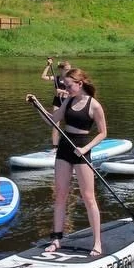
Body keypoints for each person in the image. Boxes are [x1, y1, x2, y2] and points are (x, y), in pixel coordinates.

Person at [32, 67, 107, 257]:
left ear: (80, 84)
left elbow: (103, 133)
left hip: (82, 149)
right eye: (65, 85)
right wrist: (37, 105)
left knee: (88, 197)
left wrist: (85, 149)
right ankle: (56, 239)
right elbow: (53, 121)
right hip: (65, 148)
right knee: (60, 195)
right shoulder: (67, 101)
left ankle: (97, 242)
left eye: (69, 85)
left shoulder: (94, 105)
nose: (66, 88)